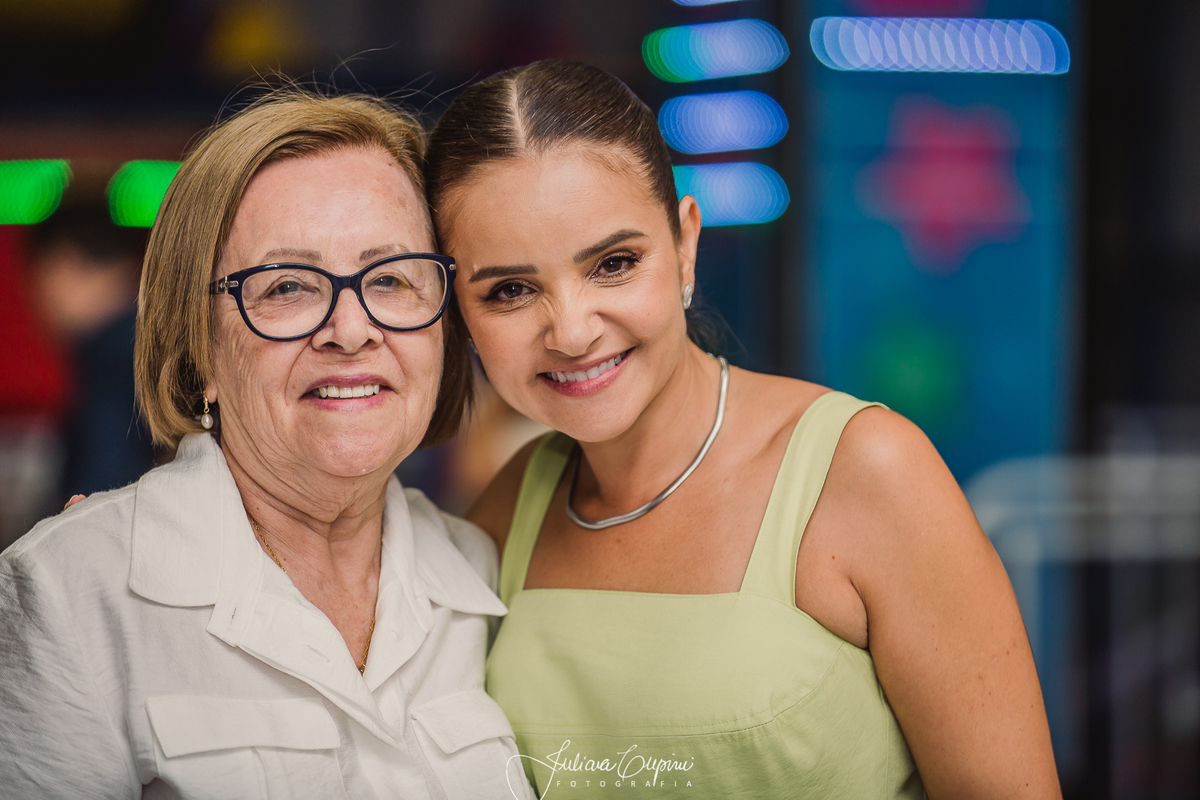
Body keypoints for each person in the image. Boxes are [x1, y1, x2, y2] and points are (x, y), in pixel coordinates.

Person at [426, 60, 1061, 798]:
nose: (570, 331)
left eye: (614, 264)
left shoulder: (865, 471)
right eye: (510, 290)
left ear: (686, 245)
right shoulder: (508, 510)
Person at [0, 91, 532, 800]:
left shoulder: (482, 575)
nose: (351, 330)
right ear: (200, 350)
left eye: (390, 278)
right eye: (287, 287)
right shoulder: (73, 593)